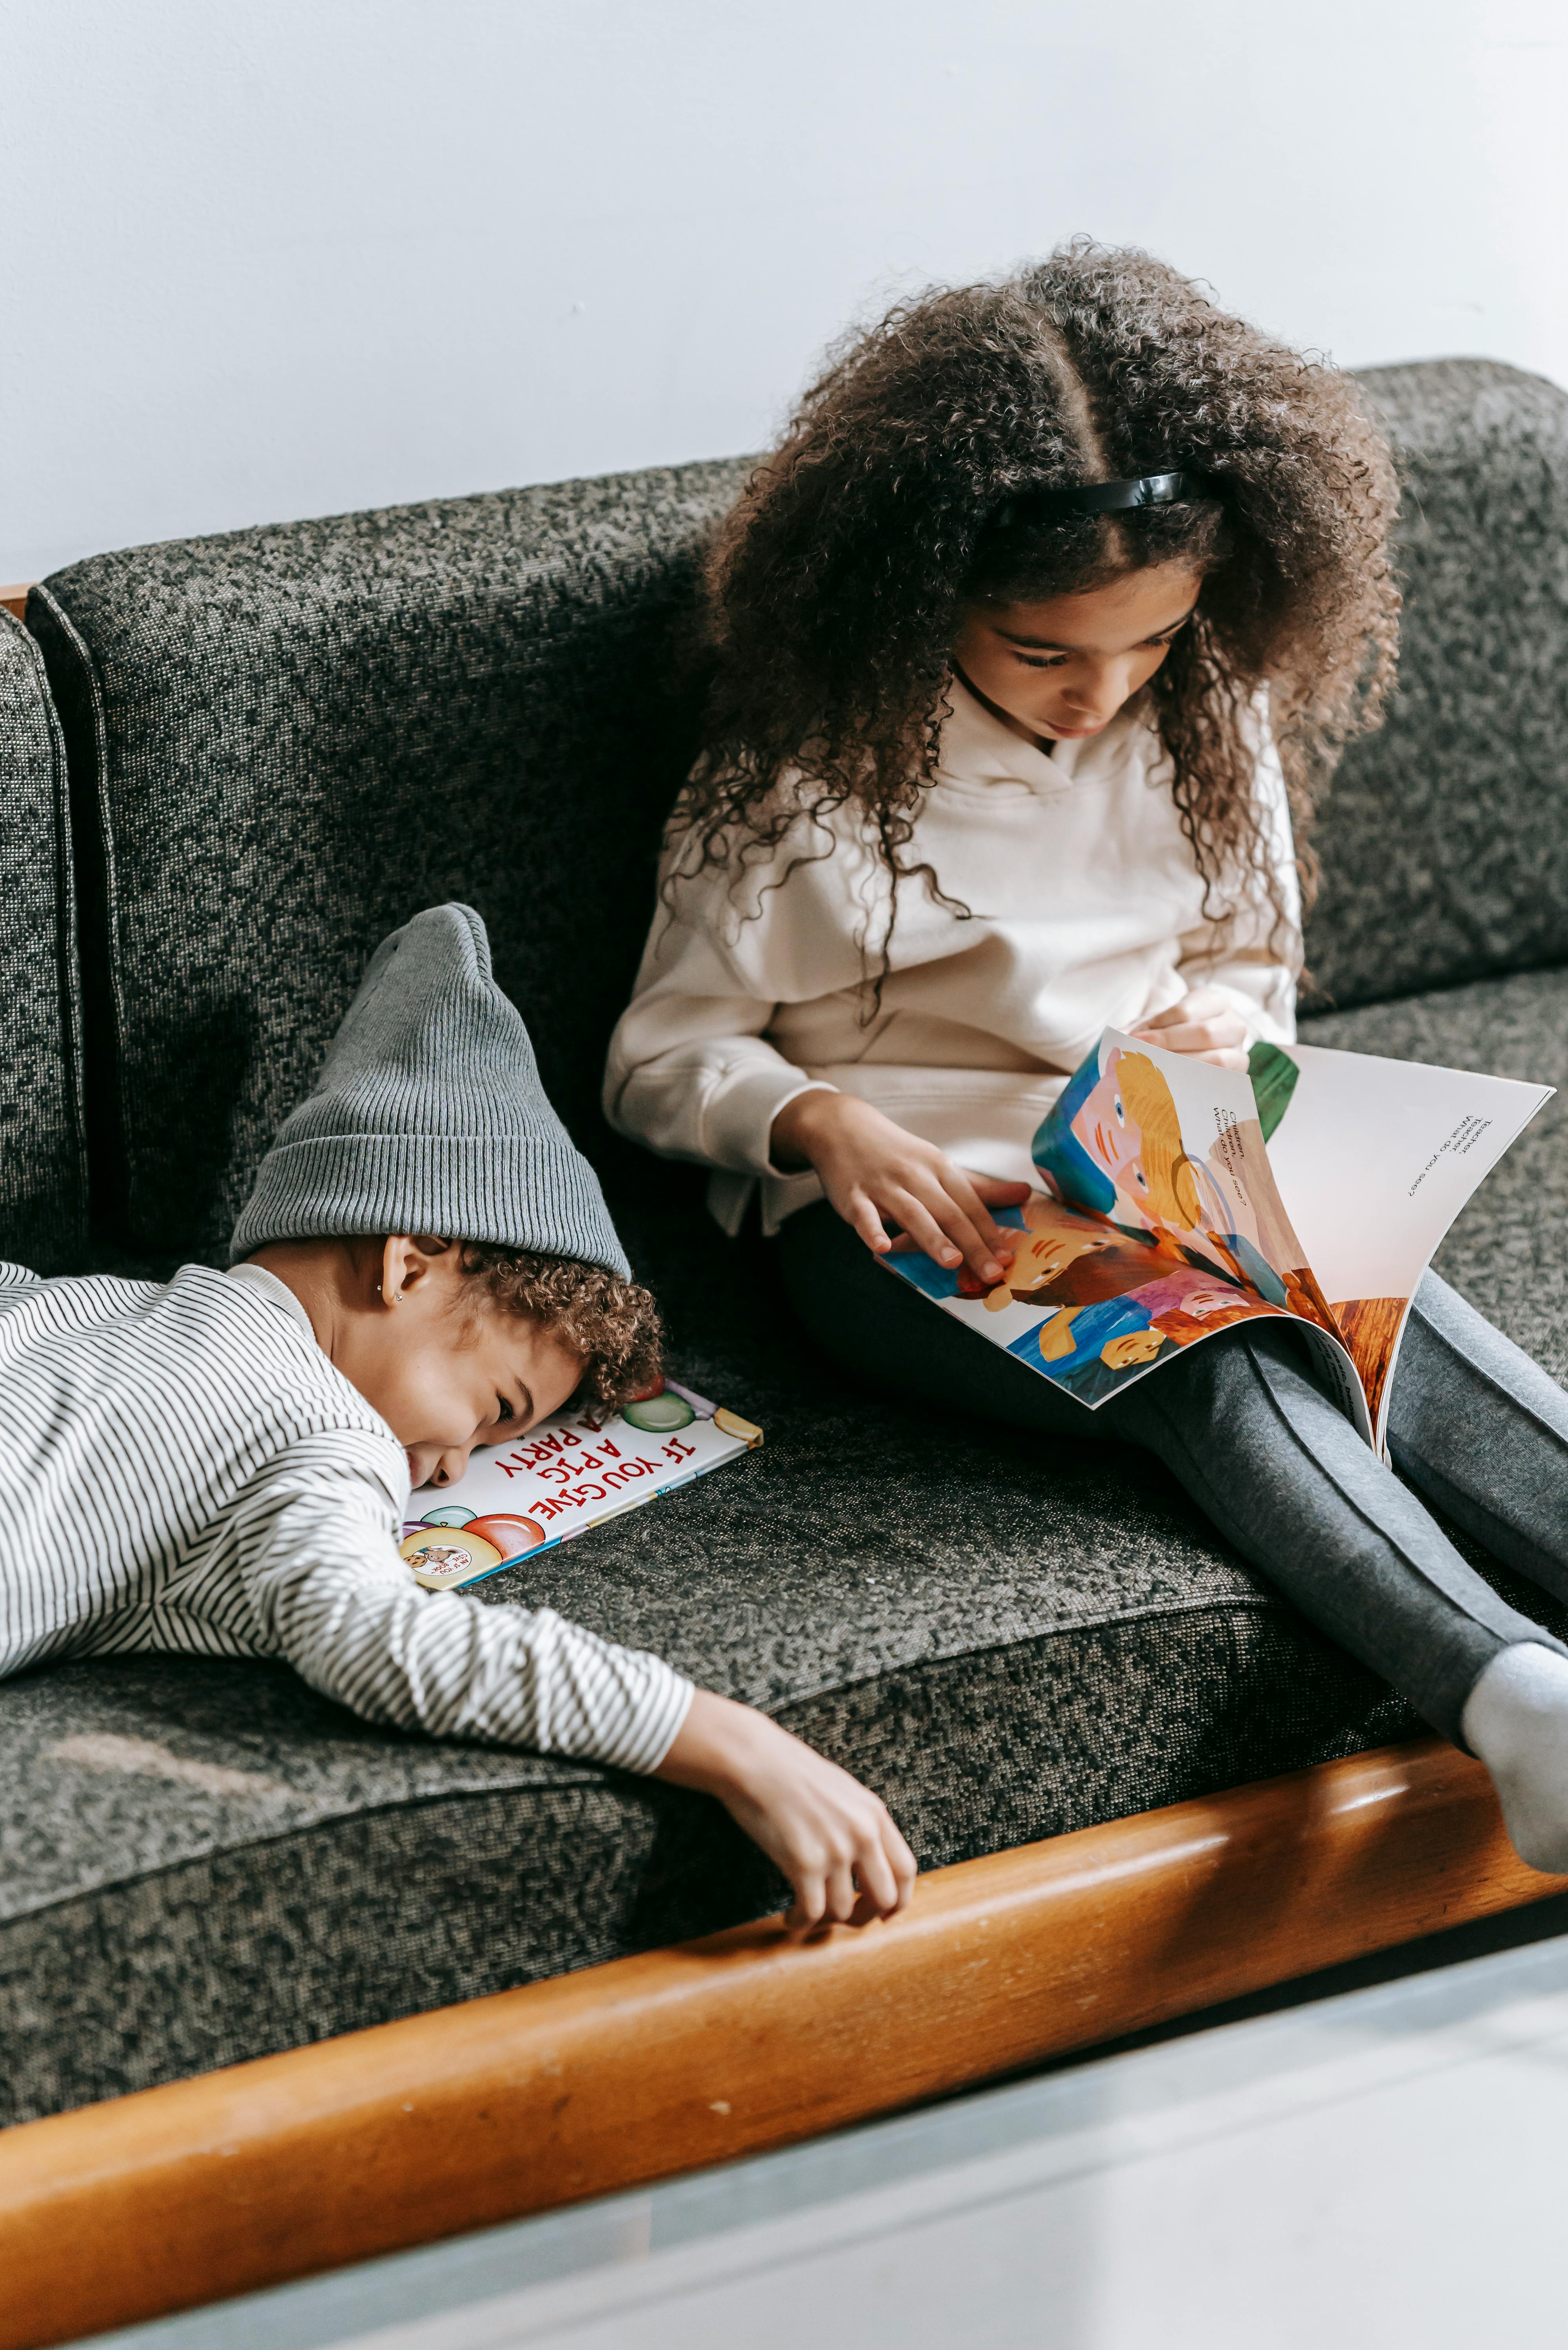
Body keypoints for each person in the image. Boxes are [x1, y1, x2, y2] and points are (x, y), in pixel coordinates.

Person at [605, 244, 1568, 1875]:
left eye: (1146, 646)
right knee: (1222, 1357)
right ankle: (1515, 1701)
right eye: (1045, 651)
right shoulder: (801, 775)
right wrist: (814, 1119)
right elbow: (665, 1049)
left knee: (1391, 1305)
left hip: (1169, 1140)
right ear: (925, 593)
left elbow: (1246, 963)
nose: (1098, 693)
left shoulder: (1205, 715)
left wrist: (1229, 1038)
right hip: (922, 1207)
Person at [0, 904, 914, 1934]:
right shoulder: (314, 1430)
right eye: (495, 1410)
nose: (452, 1470)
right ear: (411, 1263)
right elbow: (380, 1637)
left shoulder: (72, 1297)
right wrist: (728, 1740)